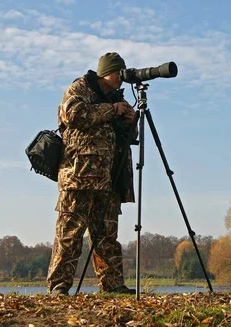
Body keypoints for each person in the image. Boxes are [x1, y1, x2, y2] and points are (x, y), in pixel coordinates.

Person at [47, 52, 136, 295]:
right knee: (70, 234)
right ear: (106, 73)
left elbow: (127, 139)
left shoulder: (117, 98)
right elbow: (73, 115)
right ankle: (59, 287)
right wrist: (113, 109)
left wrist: (130, 121)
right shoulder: (80, 88)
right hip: (78, 175)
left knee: (107, 235)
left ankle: (112, 285)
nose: (121, 78)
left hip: (109, 179)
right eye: (118, 73)